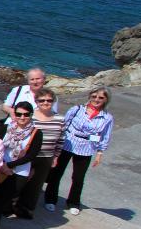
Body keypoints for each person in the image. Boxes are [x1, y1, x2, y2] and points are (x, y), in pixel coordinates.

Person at [44, 86, 114, 215]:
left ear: (106, 100)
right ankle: (50, 199)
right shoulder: (77, 109)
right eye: (94, 97)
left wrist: (99, 152)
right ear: (89, 97)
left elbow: (105, 135)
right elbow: (64, 124)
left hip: (86, 147)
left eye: (100, 97)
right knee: (57, 172)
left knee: (78, 177)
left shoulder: (107, 117)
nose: (96, 99)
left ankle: (74, 201)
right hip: (68, 143)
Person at [0, 101, 41, 229]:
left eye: (26, 114)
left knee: (2, 200)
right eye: (19, 114)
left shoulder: (36, 133)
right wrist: (2, 163)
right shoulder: (6, 128)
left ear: (31, 115)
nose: (22, 117)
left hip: (19, 172)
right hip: (0, 167)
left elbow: (31, 155)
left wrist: (10, 165)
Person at [16, 88, 65, 219]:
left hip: (46, 156)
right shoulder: (30, 117)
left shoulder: (60, 119)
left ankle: (26, 208)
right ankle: (11, 204)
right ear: (36, 101)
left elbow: (61, 139)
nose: (45, 102)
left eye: (49, 100)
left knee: (36, 184)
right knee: (20, 181)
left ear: (53, 101)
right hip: (28, 155)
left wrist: (56, 156)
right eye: (41, 100)